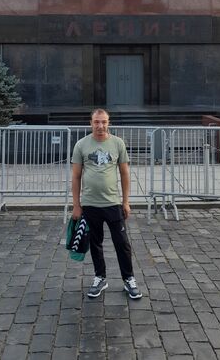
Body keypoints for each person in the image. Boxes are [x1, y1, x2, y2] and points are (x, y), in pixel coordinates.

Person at [71, 108, 142, 299]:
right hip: (90, 204)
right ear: (91, 123)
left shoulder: (118, 143)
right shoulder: (81, 145)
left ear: (108, 123)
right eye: (96, 122)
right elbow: (76, 177)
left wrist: (126, 201)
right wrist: (76, 205)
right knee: (95, 243)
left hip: (113, 203)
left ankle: (128, 279)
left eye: (104, 122)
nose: (100, 125)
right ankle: (100, 277)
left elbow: (125, 173)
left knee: (122, 243)